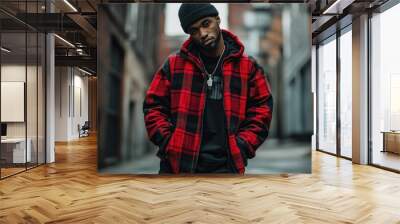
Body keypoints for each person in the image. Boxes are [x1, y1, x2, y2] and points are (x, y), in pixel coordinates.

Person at [143, 3, 273, 174]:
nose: (202, 34)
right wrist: (169, 142)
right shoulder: (174, 65)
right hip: (179, 166)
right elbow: (153, 107)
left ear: (218, 20)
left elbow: (262, 109)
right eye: (194, 30)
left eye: (206, 24)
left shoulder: (248, 67)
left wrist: (242, 145)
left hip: (228, 167)